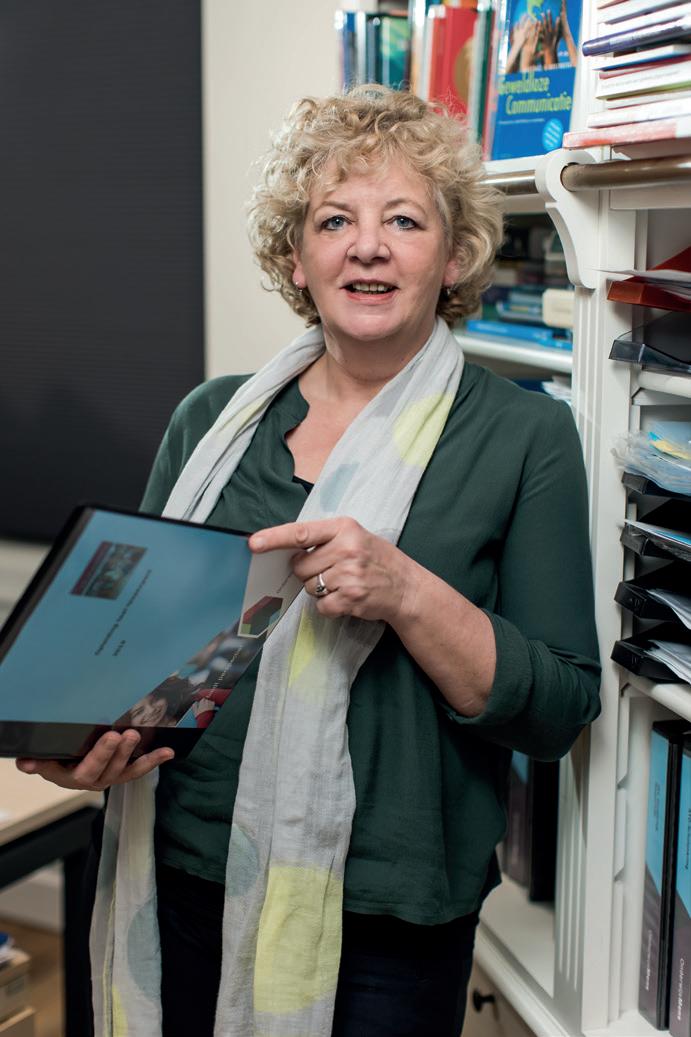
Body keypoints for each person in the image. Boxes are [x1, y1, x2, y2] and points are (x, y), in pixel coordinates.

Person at [16, 85, 600, 1037]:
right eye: (334, 220)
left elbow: (559, 710)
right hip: (175, 869)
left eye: (402, 220)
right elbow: (134, 655)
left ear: (454, 256)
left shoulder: (525, 437)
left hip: (389, 915)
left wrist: (406, 591)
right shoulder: (211, 419)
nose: (366, 246)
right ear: (297, 256)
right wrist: (77, 747)